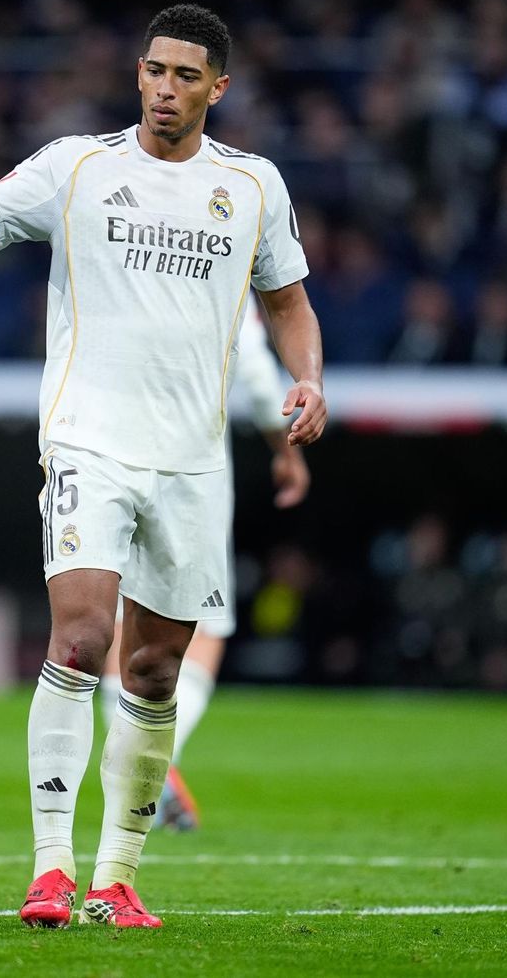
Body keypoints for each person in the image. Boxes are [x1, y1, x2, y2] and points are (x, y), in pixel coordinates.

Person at [0, 3, 326, 929]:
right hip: (90, 438)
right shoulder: (77, 167)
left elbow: (287, 303)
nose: (166, 88)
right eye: (154, 70)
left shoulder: (252, 187)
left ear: (218, 88)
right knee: (81, 637)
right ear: (138, 73)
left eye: (186, 76)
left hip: (193, 463)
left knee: (156, 672)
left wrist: (309, 379)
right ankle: (50, 869)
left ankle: (117, 879)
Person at [97, 308, 310, 832]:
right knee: (202, 628)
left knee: (118, 619)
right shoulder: (220, 265)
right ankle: (155, 764)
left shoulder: (123, 251)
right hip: (194, 473)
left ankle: (129, 754)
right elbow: (260, 380)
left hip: (109, 458)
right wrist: (284, 451)